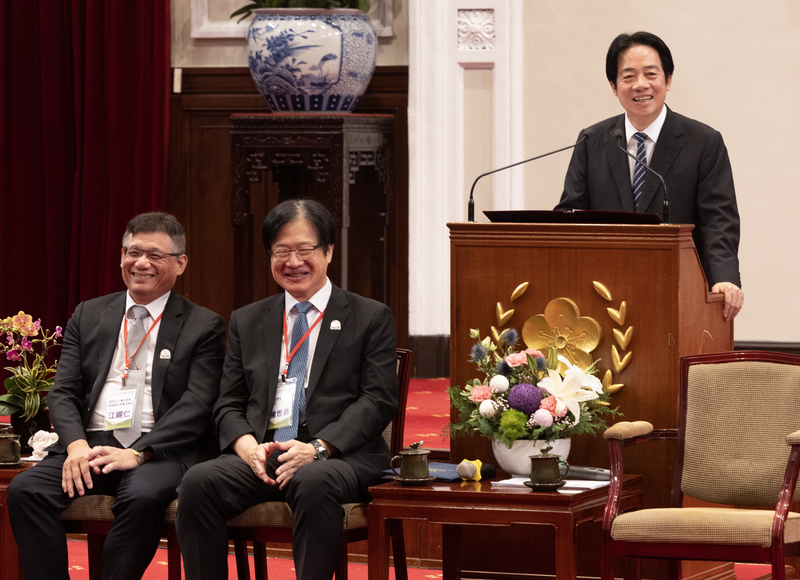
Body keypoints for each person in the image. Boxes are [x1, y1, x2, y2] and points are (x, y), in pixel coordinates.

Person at [176, 198, 399, 580]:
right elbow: (228, 402)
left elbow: (378, 400)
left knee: (312, 479)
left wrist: (318, 448)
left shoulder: (369, 316)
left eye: (303, 249)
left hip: (338, 456)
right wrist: (248, 449)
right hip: (265, 454)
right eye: (281, 251)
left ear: (328, 250)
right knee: (199, 481)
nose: (292, 262)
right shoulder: (248, 320)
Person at [7, 212, 226, 580]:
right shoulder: (89, 314)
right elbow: (63, 390)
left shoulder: (203, 325)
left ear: (180, 263)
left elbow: (198, 403)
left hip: (158, 451)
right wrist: (75, 445)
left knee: (140, 497)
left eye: (154, 255)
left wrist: (139, 452)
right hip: (91, 444)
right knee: (26, 490)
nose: (141, 263)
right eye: (132, 252)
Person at [556, 31, 744, 320]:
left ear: (667, 80)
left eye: (650, 74)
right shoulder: (592, 141)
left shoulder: (703, 141)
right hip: (602, 295)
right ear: (613, 85)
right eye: (628, 76)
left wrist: (725, 277)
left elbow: (718, 220)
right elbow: (571, 213)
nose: (640, 85)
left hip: (680, 291)